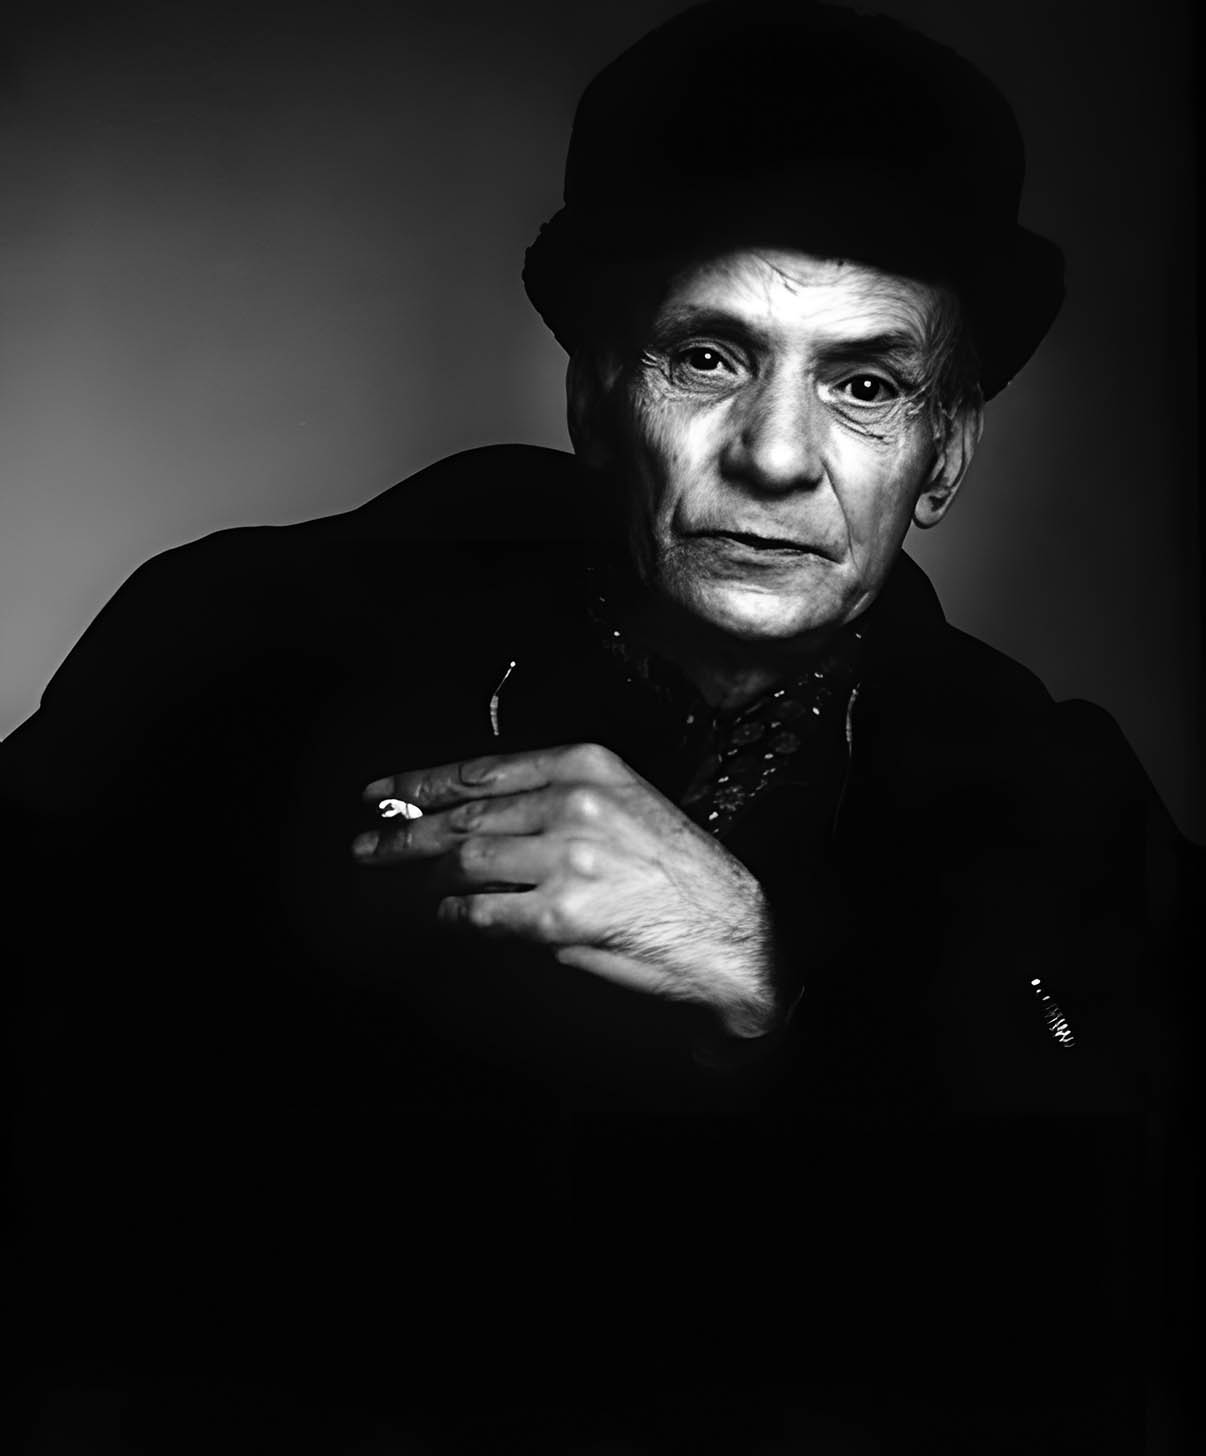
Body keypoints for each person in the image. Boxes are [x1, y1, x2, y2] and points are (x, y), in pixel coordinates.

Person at [4, 2, 1191, 1452]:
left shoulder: (1058, 808)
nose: (774, 455)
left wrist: (781, 997)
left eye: (865, 386)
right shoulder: (240, 645)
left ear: (941, 455)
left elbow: (1100, 1326)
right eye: (709, 358)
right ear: (591, 394)